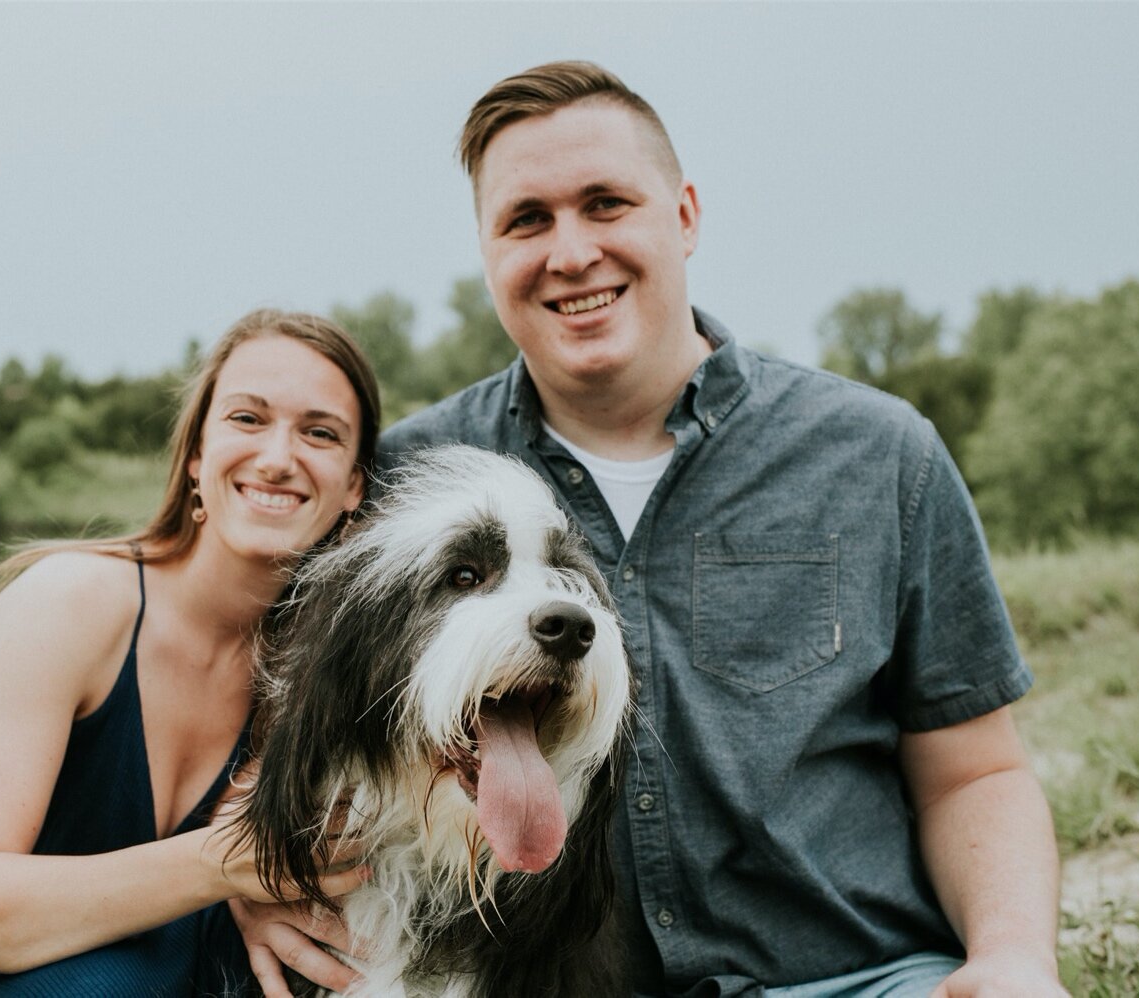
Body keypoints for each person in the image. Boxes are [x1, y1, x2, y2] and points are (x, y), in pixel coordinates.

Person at [232, 63, 1068, 997]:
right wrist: (248, 874)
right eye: (527, 221)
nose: (572, 251)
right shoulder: (407, 487)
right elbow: (275, 702)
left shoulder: (879, 456)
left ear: (685, 215)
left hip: (855, 979)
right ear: (485, 250)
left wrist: (1012, 957)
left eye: (606, 203)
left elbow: (973, 773)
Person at [0, 309, 380, 996]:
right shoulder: (71, 604)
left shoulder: (307, 679)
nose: (277, 456)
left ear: (354, 485)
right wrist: (227, 864)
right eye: (247, 419)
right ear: (198, 454)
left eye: (320, 433)